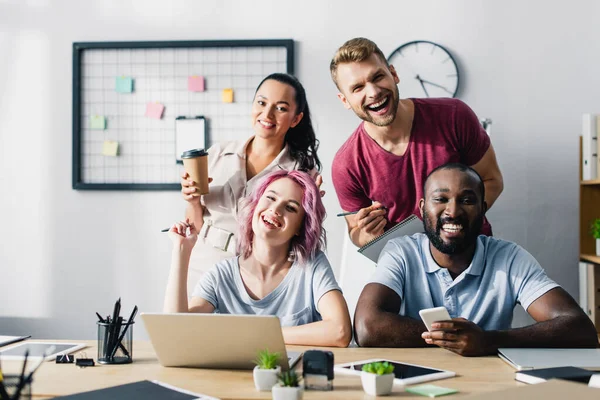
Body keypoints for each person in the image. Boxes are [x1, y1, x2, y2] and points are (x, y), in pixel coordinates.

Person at [353, 163, 598, 356]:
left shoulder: (509, 258)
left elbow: (579, 328)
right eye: (441, 199)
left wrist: (488, 340)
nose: (453, 211)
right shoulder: (401, 252)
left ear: (482, 208)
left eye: (467, 200)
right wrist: (452, 337)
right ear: (422, 207)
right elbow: (366, 327)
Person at [329, 38, 504, 248]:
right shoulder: (347, 164)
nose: (373, 92)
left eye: (378, 77)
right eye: (357, 88)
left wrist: (457, 222)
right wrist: (367, 234)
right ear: (344, 100)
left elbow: (492, 180)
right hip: (406, 264)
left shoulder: (455, 116)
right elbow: (356, 233)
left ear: (393, 74)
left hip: (471, 251)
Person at [165, 170, 352, 347]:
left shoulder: (312, 266)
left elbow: (340, 331)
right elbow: (174, 332)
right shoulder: (220, 276)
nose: (276, 209)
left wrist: (260, 334)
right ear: (254, 205)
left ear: (300, 227)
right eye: (270, 198)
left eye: (290, 207)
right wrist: (181, 250)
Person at [180, 73, 323, 293]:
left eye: (281, 108)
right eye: (262, 102)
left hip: (255, 275)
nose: (267, 114)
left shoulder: (300, 173)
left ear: (296, 119)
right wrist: (192, 200)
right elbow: (194, 227)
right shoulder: (217, 154)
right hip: (201, 265)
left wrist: (312, 210)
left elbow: (302, 239)